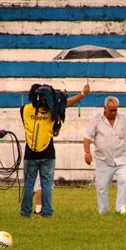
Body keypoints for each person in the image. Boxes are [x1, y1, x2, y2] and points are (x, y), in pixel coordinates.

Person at [20, 84, 90, 218]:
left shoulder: (24, 110)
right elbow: (66, 103)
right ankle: (47, 212)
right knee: (46, 185)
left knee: (29, 184)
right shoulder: (53, 111)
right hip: (48, 153)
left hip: (31, 153)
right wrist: (82, 94)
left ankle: (25, 212)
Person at [84, 96, 126, 215]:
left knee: (124, 181)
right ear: (104, 108)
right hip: (103, 160)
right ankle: (103, 211)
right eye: (111, 110)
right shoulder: (96, 119)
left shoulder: (123, 118)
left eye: (115, 110)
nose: (113, 113)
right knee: (102, 188)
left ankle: (120, 209)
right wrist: (87, 152)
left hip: (120, 159)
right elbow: (87, 137)